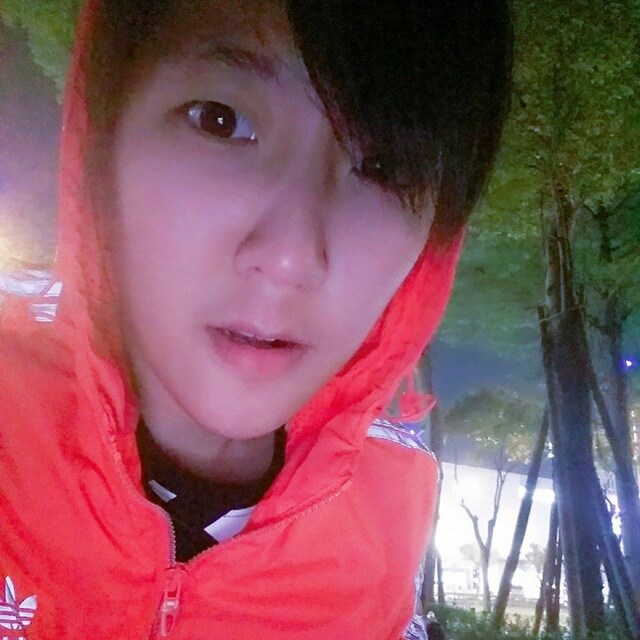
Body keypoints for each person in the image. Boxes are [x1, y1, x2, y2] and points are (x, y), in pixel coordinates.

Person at [0, 0, 512, 637]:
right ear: (102, 137)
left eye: (385, 168)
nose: (291, 257)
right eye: (220, 121)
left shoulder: (386, 533)